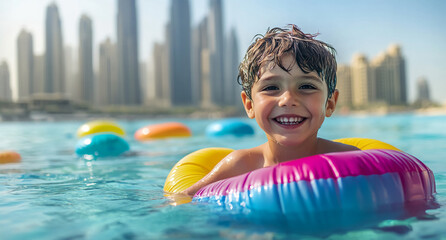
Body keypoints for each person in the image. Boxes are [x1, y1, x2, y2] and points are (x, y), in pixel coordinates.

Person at [182, 24, 358, 196]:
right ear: (249, 105)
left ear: (330, 103)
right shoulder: (239, 167)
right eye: (271, 87)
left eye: (306, 86)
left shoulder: (349, 160)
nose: (288, 99)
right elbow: (185, 200)